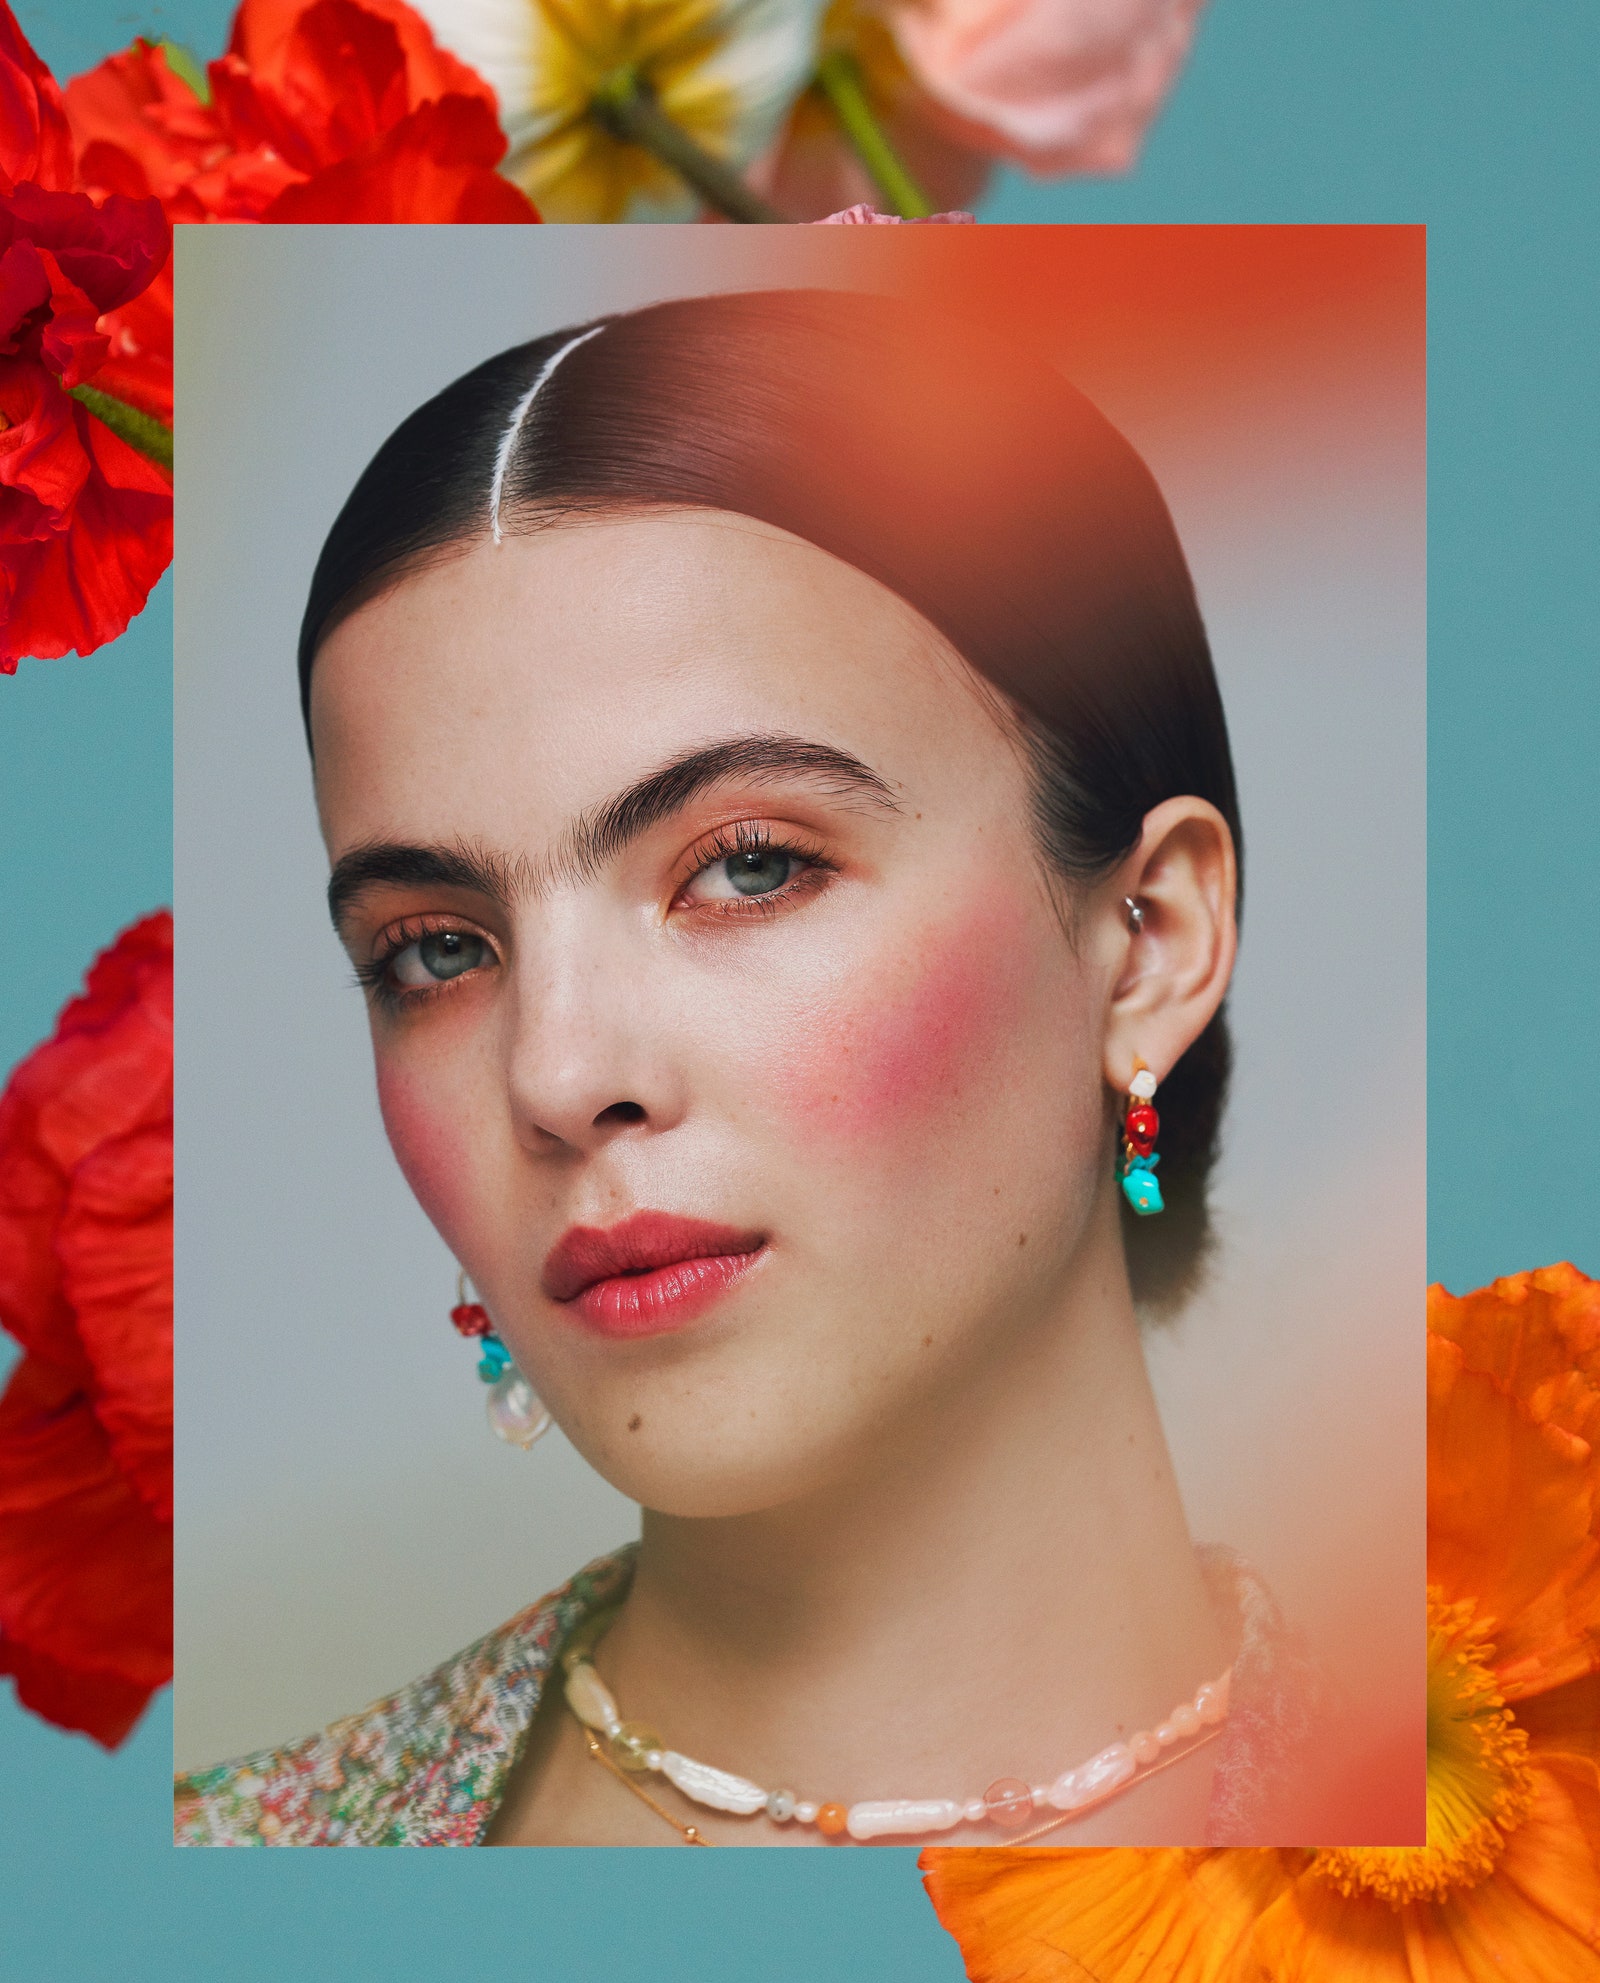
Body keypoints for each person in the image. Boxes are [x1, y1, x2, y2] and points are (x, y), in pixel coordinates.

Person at [175, 290, 1322, 1847]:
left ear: (1151, 939)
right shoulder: (249, 1876)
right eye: (436, 952)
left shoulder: (1529, 1825)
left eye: (751, 867)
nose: (561, 1074)